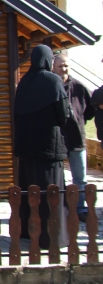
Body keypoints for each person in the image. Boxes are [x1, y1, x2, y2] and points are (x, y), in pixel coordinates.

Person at [14, 44, 68, 249]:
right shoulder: (53, 80)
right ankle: (51, 237)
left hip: (26, 149)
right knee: (49, 194)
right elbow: (63, 114)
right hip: (48, 148)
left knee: (30, 192)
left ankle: (29, 232)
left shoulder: (24, 82)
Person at [52, 51, 95, 221]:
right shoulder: (51, 87)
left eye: (66, 66)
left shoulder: (79, 87)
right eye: (60, 66)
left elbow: (90, 110)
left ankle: (80, 208)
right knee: (58, 178)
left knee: (80, 178)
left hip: (77, 139)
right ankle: (62, 208)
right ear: (53, 67)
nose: (63, 69)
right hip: (58, 139)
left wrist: (78, 121)